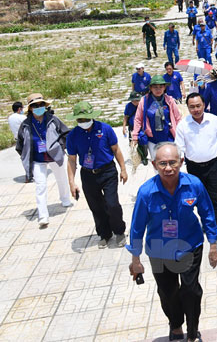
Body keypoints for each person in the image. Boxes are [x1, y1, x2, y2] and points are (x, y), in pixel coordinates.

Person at [128, 142, 217, 342]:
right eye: (162, 163)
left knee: (191, 290)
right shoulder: (146, 192)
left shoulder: (194, 184)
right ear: (153, 164)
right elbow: (137, 227)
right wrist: (135, 259)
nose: (168, 168)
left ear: (182, 162)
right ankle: (176, 325)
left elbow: (207, 214)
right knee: (168, 293)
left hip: (190, 245)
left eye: (172, 162)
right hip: (159, 250)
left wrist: (213, 244)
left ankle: (193, 330)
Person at [64, 101, 127, 247]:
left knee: (112, 204)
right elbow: (72, 160)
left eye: (86, 119)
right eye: (80, 120)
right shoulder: (73, 136)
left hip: (107, 171)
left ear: (92, 117)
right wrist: (71, 182)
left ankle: (119, 231)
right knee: (96, 207)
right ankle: (104, 234)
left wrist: (123, 169)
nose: (84, 122)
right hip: (88, 174)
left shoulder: (105, 129)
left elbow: (116, 150)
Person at [175, 93, 217, 244]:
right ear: (187, 108)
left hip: (214, 166)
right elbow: (179, 147)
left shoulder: (214, 121)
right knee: (197, 199)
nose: (195, 110)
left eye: (198, 106)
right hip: (194, 168)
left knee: (216, 198)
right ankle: (206, 225)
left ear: (204, 105)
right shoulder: (183, 125)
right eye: (192, 107)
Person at [15, 93, 72, 228]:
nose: (39, 107)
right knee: (40, 186)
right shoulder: (25, 125)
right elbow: (20, 144)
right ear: (30, 108)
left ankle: (65, 199)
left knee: (61, 178)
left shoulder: (53, 119)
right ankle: (43, 215)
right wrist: (26, 155)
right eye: (35, 105)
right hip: (37, 159)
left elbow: (65, 133)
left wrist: (60, 147)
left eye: (41, 105)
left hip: (54, 156)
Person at [132, 75, 183, 163]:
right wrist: (135, 136)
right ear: (150, 88)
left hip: (168, 136)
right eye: (155, 87)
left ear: (164, 88)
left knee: (172, 161)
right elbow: (138, 119)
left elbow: (177, 118)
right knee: (157, 163)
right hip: (153, 139)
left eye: (161, 87)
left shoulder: (169, 100)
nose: (158, 89)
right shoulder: (144, 101)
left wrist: (182, 133)